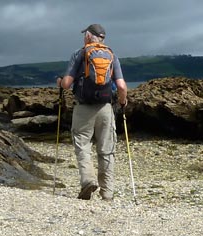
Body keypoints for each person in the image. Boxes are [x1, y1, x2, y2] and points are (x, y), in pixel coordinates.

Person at [56, 23, 129, 200]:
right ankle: (107, 193)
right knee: (106, 150)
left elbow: (66, 84)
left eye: (85, 35)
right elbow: (121, 85)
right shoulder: (112, 55)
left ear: (89, 36)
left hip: (83, 108)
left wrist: (59, 82)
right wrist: (122, 101)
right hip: (105, 108)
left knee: (82, 145)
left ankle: (88, 180)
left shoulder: (80, 54)